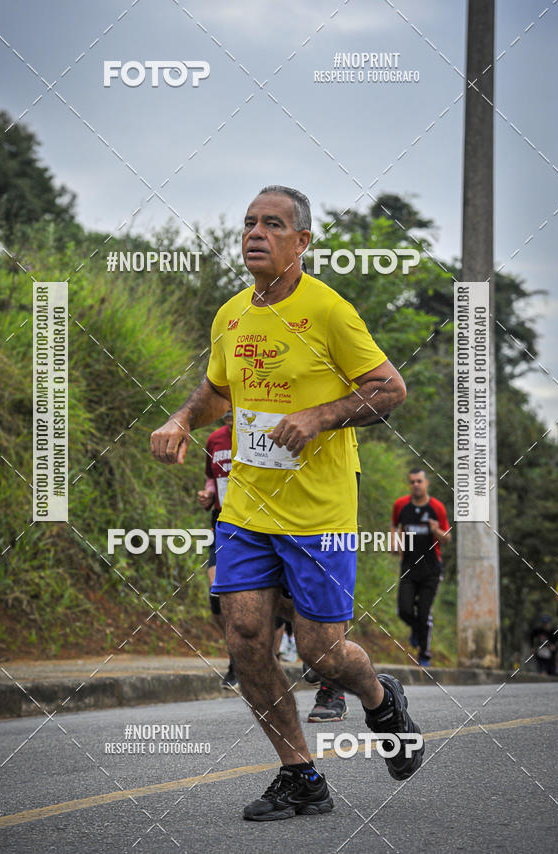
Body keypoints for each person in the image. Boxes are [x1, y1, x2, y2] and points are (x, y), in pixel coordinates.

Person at [151, 185, 424, 822]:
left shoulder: (328, 310)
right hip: (247, 508)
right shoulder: (231, 315)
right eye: (249, 223)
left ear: (302, 242)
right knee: (246, 636)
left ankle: (381, 699)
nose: (255, 233)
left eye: (273, 225)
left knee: (321, 651)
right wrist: (184, 420)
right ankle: (301, 776)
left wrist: (321, 415)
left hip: (319, 512)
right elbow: (219, 390)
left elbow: (390, 388)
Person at [391, 468, 451, 667]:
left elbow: (448, 538)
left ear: (426, 484)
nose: (415, 485)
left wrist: (435, 530)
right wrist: (394, 542)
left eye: (419, 481)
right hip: (408, 566)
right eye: (412, 482)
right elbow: (394, 525)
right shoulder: (401, 505)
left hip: (431, 569)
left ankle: (424, 654)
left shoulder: (436, 508)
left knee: (424, 613)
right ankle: (417, 630)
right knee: (404, 610)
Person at [197, 411, 237, 690]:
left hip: (255, 522)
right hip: (221, 521)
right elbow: (213, 477)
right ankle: (239, 658)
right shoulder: (214, 439)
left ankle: (243, 663)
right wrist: (208, 494)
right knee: (217, 596)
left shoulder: (261, 433)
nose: (229, 411)